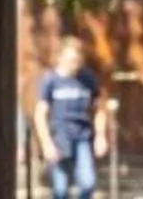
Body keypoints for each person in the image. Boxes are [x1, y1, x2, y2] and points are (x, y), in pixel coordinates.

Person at [33, 36, 112, 199]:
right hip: (59, 137)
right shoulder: (51, 80)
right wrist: (46, 143)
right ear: (60, 58)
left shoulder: (87, 78)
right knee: (60, 190)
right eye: (70, 61)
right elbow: (40, 113)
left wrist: (101, 136)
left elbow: (99, 108)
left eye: (77, 61)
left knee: (88, 183)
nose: (74, 65)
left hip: (82, 136)